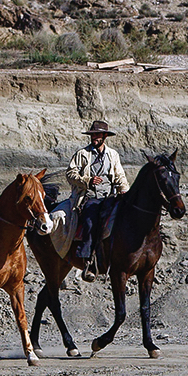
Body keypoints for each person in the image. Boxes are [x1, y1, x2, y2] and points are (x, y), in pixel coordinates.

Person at [69, 120, 129, 280]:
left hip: (110, 197)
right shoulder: (82, 154)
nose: (94, 137)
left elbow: (120, 176)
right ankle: (88, 260)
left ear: (104, 136)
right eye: (93, 134)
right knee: (90, 221)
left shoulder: (113, 155)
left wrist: (124, 190)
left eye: (97, 135)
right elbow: (70, 174)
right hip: (91, 197)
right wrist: (87, 180)